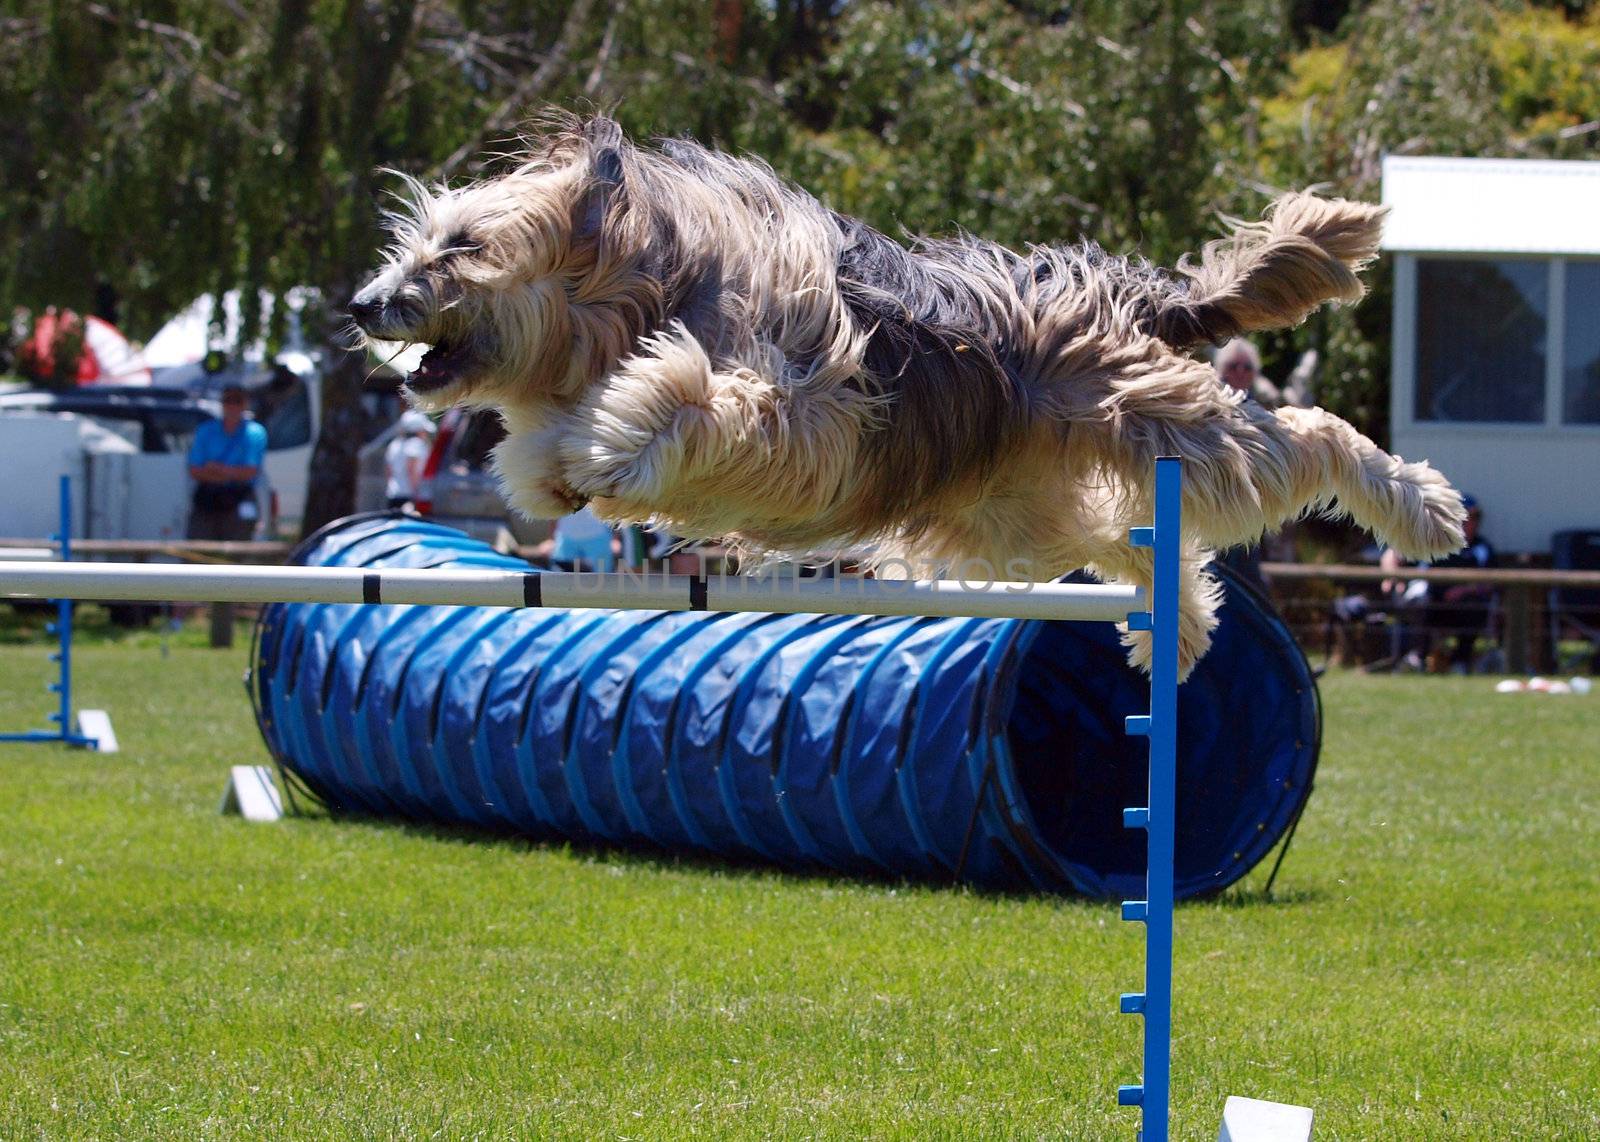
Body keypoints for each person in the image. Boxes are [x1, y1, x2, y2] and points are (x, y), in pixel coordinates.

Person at [186, 383, 268, 541]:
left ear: (245, 404)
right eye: (228, 400)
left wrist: (215, 468)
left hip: (239, 497)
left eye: (237, 401)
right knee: (199, 550)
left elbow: (250, 472)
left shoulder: (255, 433)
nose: (232, 405)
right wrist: (231, 473)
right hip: (207, 499)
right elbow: (195, 470)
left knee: (236, 553)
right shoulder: (206, 430)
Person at [384, 410, 436, 510]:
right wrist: (417, 494)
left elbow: (389, 471)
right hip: (410, 497)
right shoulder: (416, 444)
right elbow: (411, 469)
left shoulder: (394, 444)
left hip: (393, 495)